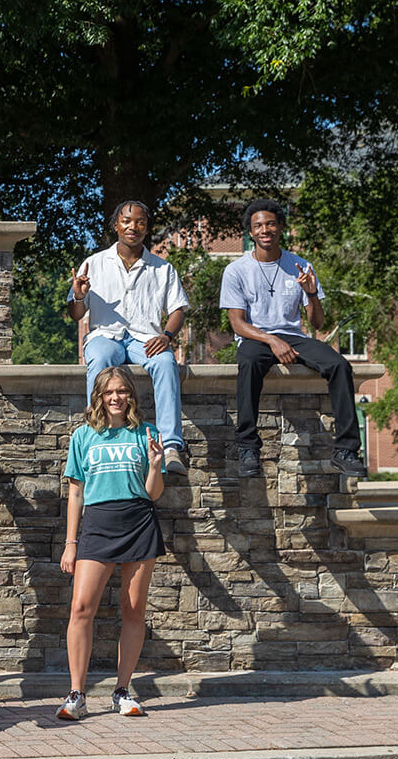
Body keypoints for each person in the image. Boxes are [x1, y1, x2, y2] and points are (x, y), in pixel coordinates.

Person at [220, 199, 367, 479]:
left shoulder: (300, 265)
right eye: (258, 226)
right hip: (256, 337)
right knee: (249, 362)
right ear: (251, 233)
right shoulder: (236, 270)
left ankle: (345, 450)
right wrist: (271, 341)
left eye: (270, 224)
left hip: (293, 336)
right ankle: (248, 447)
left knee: (339, 365)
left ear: (281, 228)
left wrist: (311, 294)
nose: (265, 230)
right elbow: (238, 324)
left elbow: (317, 323)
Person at [57, 366, 166, 721]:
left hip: (138, 521)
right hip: (98, 526)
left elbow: (153, 494)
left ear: (130, 395)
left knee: (133, 609)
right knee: (80, 609)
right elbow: (75, 493)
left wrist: (154, 466)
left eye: (121, 391)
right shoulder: (83, 436)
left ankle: (122, 690)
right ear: (99, 397)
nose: (116, 397)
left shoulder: (146, 433)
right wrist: (71, 543)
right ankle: (77, 694)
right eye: (109, 392)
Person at [67, 200, 190, 474]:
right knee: (98, 360)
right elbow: (76, 314)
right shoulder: (94, 263)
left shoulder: (163, 268)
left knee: (166, 363)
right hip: (105, 335)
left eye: (140, 222)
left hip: (145, 339)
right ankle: (97, 434)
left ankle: (170, 447)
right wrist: (79, 295)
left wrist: (167, 336)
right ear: (116, 225)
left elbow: (177, 310)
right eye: (126, 221)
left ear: (147, 228)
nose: (133, 226)